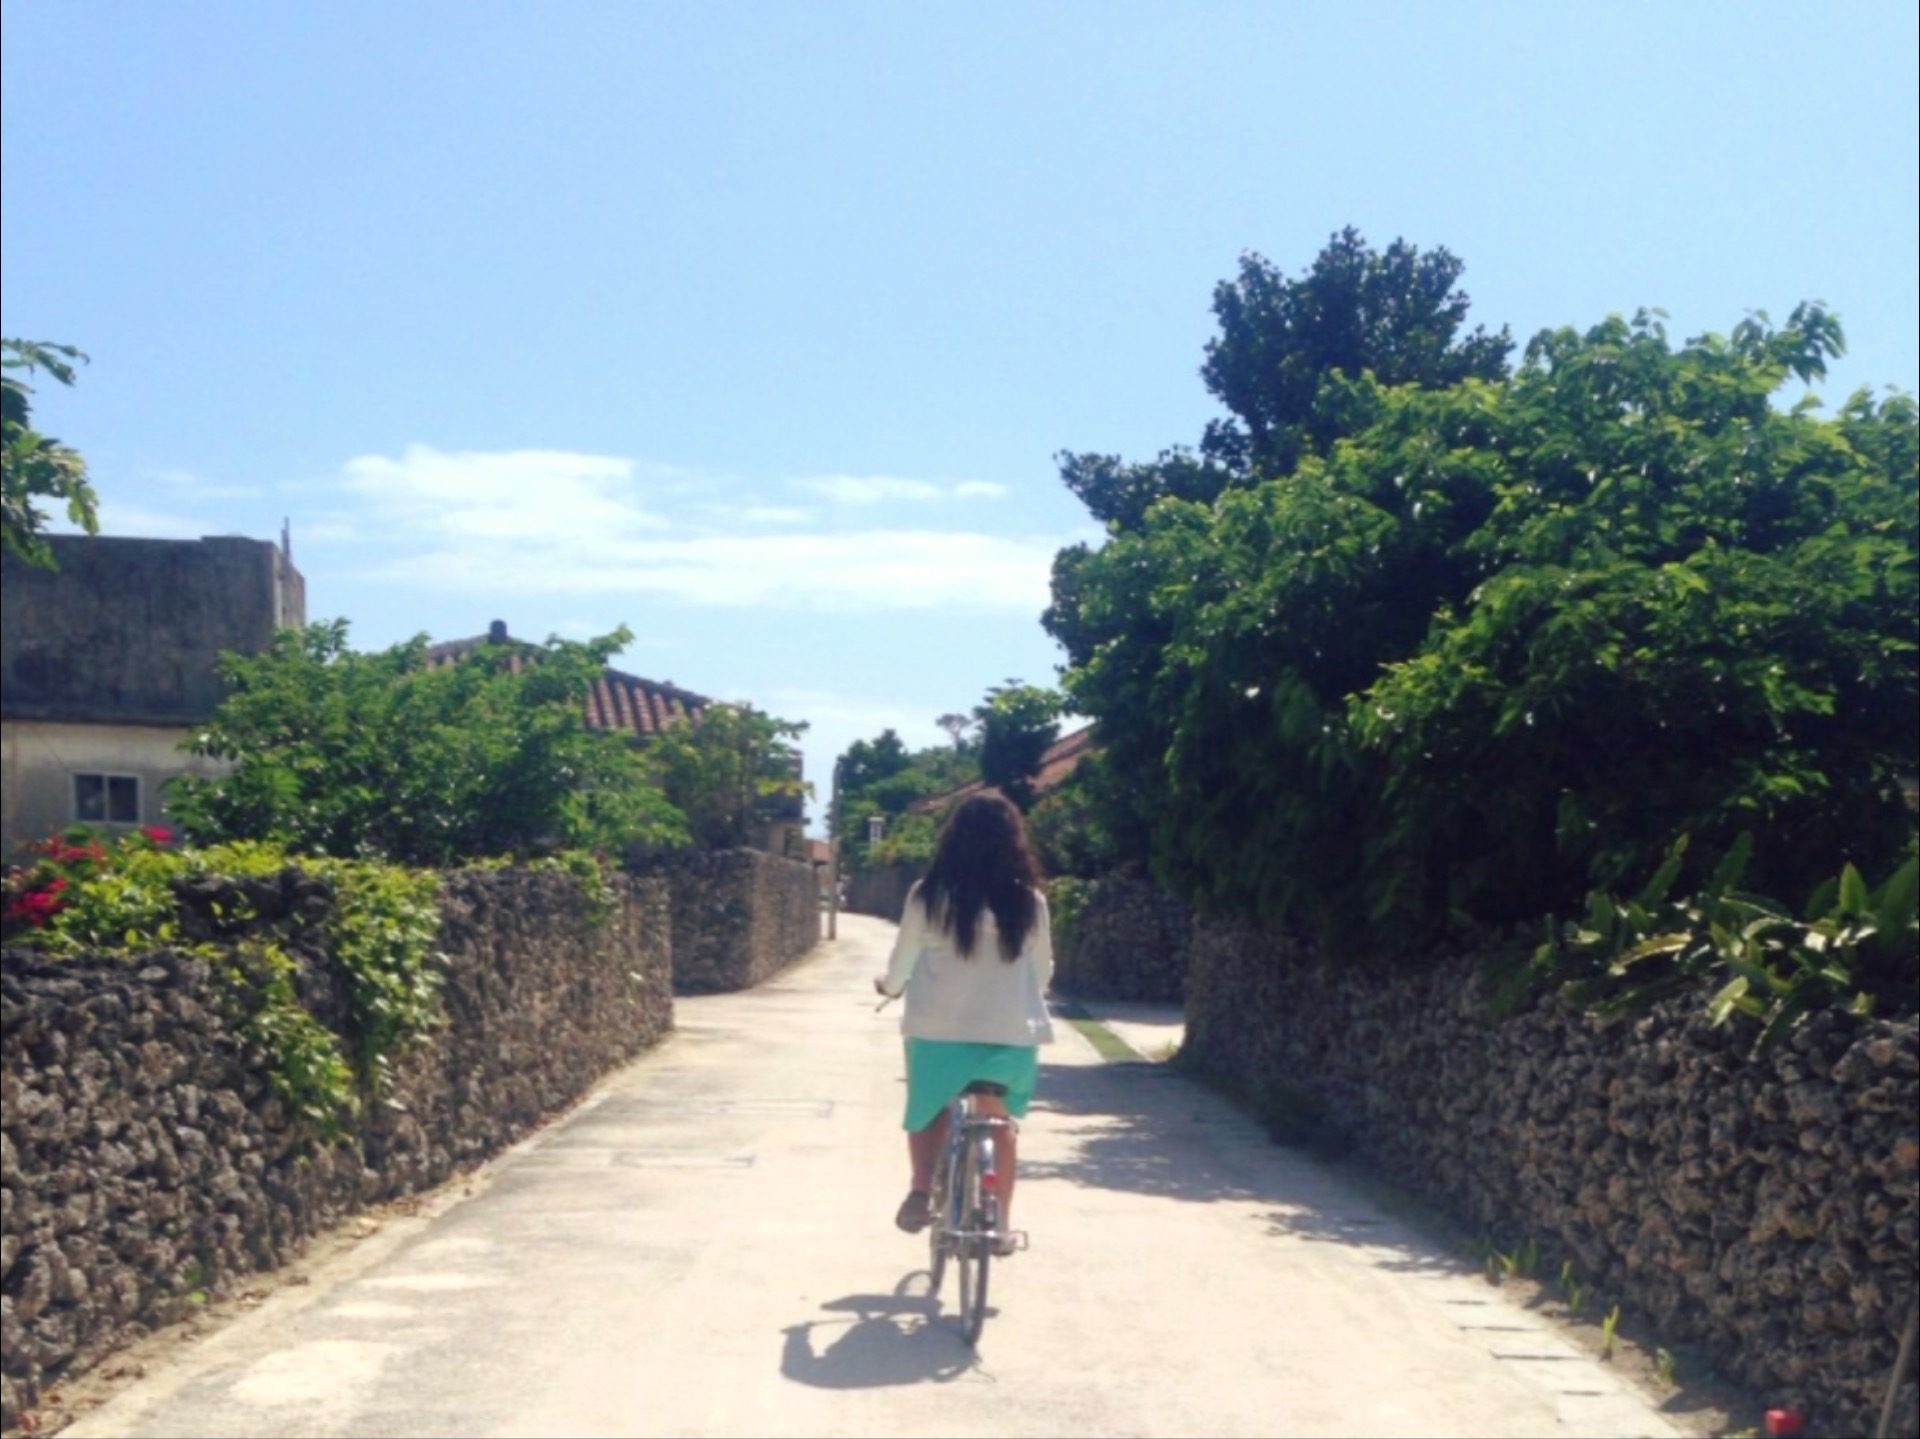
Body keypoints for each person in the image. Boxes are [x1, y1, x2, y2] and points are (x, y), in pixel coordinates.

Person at [872, 791, 1055, 1257]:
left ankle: (919, 1190)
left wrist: (889, 987)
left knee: (931, 1107)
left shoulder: (928, 896)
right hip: (1010, 1035)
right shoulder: (1030, 903)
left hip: (938, 1033)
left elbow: (901, 964)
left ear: (953, 839)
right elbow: (1044, 972)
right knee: (998, 1120)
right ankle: (1001, 1224)